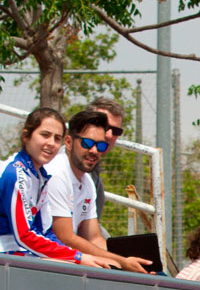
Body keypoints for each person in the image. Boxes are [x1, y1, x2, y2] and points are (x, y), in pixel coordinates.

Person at [38, 110, 151, 273]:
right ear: (68, 142)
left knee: (146, 271)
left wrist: (127, 260)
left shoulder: (88, 182)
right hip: (38, 260)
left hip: (63, 258)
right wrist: (120, 262)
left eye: (101, 145)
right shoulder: (56, 173)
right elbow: (66, 238)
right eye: (87, 143)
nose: (94, 151)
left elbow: (94, 237)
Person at [1, 107, 114, 268]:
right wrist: (78, 257)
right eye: (45, 135)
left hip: (21, 256)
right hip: (8, 256)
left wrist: (80, 256)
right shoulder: (15, 173)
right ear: (26, 136)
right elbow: (24, 236)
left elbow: (45, 232)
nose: (51, 144)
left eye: (56, 138)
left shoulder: (40, 176)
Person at [85, 97, 125, 220]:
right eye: (105, 127)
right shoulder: (62, 165)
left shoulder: (94, 168)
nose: (109, 135)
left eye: (116, 131)